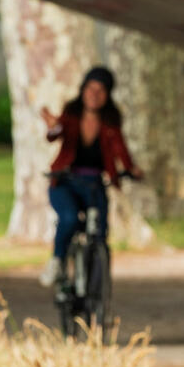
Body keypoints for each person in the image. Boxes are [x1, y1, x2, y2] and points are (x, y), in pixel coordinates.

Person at [37, 65, 142, 287]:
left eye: (100, 90)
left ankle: (95, 285)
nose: (94, 95)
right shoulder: (71, 113)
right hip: (65, 181)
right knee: (70, 218)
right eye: (90, 89)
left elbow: (120, 149)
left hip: (94, 184)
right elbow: (56, 133)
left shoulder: (111, 121)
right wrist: (53, 127)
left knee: (100, 232)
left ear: (107, 95)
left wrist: (131, 169)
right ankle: (57, 261)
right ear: (83, 90)